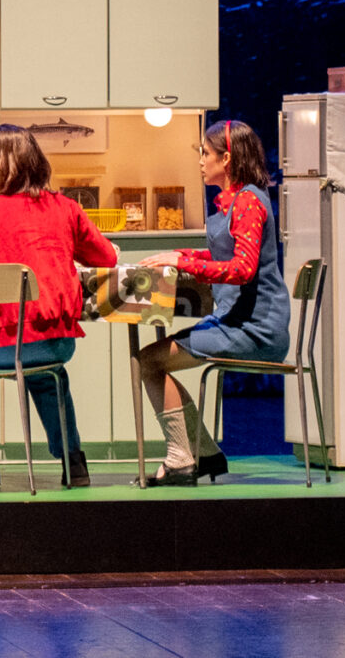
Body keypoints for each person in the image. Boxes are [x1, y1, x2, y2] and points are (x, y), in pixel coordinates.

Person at [0, 124, 121, 490]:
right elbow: (106, 257)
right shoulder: (66, 208)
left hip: (5, 344)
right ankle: (74, 462)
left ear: (5, 162)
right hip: (58, 342)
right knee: (45, 373)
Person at [135, 119, 289, 486]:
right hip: (236, 322)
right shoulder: (237, 201)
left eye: (206, 153)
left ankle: (183, 458)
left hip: (254, 329)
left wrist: (185, 264)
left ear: (227, 158)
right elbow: (224, 254)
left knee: (149, 361)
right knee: (150, 359)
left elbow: (243, 269)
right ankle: (202, 453)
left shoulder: (248, 200)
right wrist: (182, 254)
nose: (201, 161)